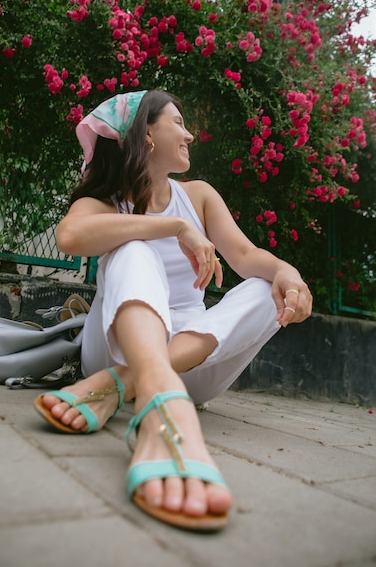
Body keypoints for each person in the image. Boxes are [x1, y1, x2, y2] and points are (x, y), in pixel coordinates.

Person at [33, 89, 312, 531]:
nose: (189, 134)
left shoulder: (199, 194)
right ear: (146, 134)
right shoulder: (106, 202)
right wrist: (176, 227)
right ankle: (163, 403)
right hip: (116, 347)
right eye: (178, 123)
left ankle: (120, 387)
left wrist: (288, 274)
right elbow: (70, 237)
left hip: (194, 365)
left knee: (264, 290)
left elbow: (245, 254)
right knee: (133, 250)